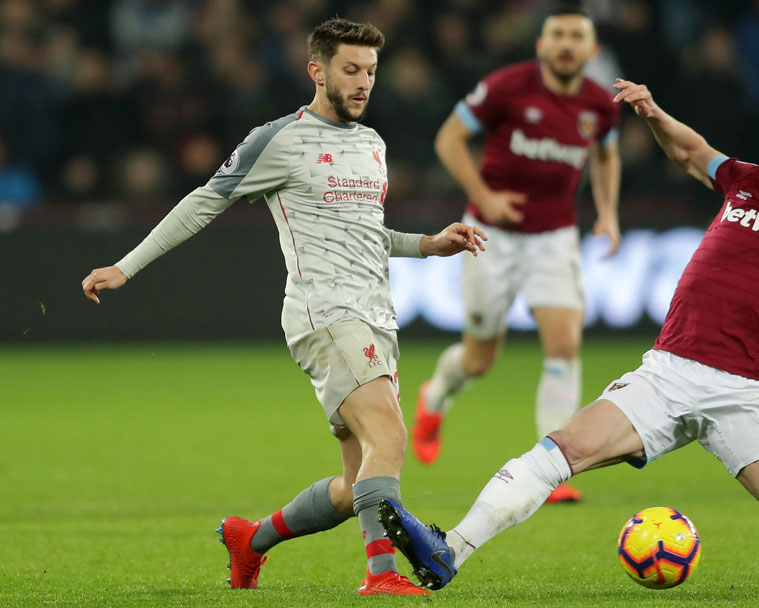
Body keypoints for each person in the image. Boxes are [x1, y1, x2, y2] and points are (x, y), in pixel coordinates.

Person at [376, 80, 759, 590]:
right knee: (561, 450)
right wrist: (655, 116)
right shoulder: (747, 182)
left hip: (745, 392)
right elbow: (692, 152)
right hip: (667, 372)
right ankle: (449, 549)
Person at [79, 19, 487, 597]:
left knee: (356, 482)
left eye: (371, 71)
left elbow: (367, 232)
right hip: (326, 312)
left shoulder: (372, 144)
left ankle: (252, 540)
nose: (364, 82)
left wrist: (427, 244)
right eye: (351, 70)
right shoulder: (279, 139)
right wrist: (127, 265)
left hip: (374, 312)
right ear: (317, 71)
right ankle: (384, 576)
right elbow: (204, 202)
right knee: (390, 438)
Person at [409, 4, 622, 505]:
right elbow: (449, 139)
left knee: (565, 344)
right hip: (490, 235)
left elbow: (606, 154)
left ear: (591, 51)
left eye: (577, 37)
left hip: (554, 236)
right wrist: (483, 198)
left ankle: (550, 469)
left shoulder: (599, 104)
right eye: (558, 35)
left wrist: (608, 213)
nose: (567, 44)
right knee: (481, 358)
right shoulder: (507, 85)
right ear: (541, 45)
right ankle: (435, 397)